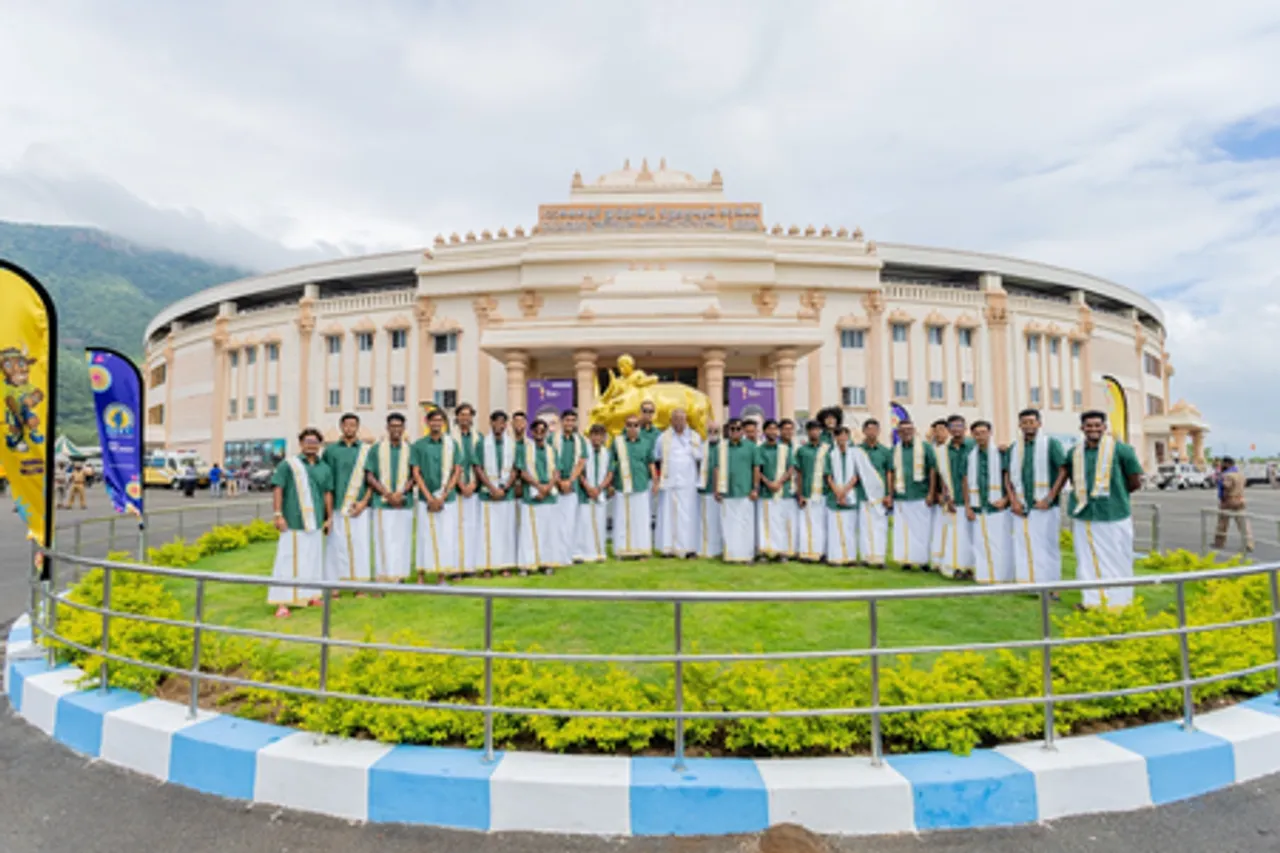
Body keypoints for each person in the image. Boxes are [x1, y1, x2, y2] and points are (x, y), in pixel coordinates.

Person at [1067, 410, 1145, 609]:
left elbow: (1135, 480)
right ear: (1082, 428)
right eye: (1088, 425)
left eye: (1097, 425)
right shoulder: (1075, 453)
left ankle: (1119, 602)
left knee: (1117, 557)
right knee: (1086, 559)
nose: (1093, 429)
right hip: (1083, 513)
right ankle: (1092, 601)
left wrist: (1117, 496)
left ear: (1104, 427)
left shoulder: (1122, 450)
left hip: (1113, 514)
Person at [268, 428, 334, 618]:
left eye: (315, 441)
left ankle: (310, 595)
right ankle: (282, 602)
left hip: (315, 522)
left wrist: (329, 518)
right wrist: (278, 514)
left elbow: (327, 493)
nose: (311, 445)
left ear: (320, 444)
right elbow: (278, 487)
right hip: (293, 520)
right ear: (301, 443)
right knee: (287, 561)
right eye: (308, 441)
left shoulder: (324, 468)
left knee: (312, 560)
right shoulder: (289, 465)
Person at [1007, 409, 1069, 585]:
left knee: (1047, 546)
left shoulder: (1050, 444)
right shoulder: (1015, 448)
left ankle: (1052, 585)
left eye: (1031, 422)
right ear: (1019, 425)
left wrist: (1049, 497)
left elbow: (1063, 471)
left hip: (1045, 505)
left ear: (1039, 424)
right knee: (1023, 544)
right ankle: (1027, 583)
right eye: (1024, 422)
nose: (1028, 426)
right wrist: (1013, 500)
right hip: (1021, 505)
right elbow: (1008, 476)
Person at [412, 408, 462, 582]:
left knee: (445, 537)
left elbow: (457, 470)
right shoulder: (418, 445)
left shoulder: (451, 444)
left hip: (447, 499)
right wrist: (429, 497)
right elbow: (416, 472)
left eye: (440, 421)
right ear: (427, 422)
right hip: (425, 498)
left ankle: (442, 575)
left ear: (444, 423)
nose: (436, 424)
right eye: (433, 420)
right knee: (424, 536)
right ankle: (421, 575)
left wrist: (443, 495)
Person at [322, 413, 372, 586]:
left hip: (359, 507)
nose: (349, 428)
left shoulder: (366, 450)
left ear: (358, 427)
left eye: (353, 425)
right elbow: (326, 482)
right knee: (335, 546)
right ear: (341, 427)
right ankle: (334, 585)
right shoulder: (330, 451)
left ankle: (359, 585)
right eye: (346, 425)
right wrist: (327, 512)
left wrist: (364, 502)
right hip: (337, 506)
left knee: (359, 546)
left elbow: (372, 479)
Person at [366, 413, 414, 582]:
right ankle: (383, 575)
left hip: (403, 502)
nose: (395, 429)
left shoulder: (410, 449)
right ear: (387, 428)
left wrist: (401, 493)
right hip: (382, 502)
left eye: (399, 426)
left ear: (403, 428)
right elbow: (370, 475)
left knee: (402, 539)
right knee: (383, 539)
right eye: (392, 426)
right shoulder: (377, 448)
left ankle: (399, 575)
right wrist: (387, 494)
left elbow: (414, 475)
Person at [966, 420, 1013, 584]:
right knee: (980, 543)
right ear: (972, 435)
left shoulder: (1001, 453)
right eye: (977, 433)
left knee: (999, 542)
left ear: (990, 433)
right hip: (978, 505)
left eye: (983, 432)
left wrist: (1007, 499)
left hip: (997, 506)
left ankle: (1001, 576)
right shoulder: (970, 455)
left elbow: (1010, 477)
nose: (980, 436)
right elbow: (965, 481)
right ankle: (984, 576)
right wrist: (968, 506)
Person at [654, 407, 703, 558]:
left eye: (682, 418)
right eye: (676, 419)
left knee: (688, 516)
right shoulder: (663, 438)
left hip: (688, 484)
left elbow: (700, 460)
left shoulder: (694, 437)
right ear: (671, 420)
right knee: (667, 515)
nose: (679, 422)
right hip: (669, 483)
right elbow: (657, 459)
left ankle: (688, 548)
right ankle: (667, 549)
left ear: (686, 420)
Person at [475, 410, 519, 574]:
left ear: (506, 425)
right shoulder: (482, 443)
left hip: (506, 495)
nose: (499, 426)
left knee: (505, 531)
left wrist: (505, 488)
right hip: (488, 494)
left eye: (503, 423)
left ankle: (504, 566)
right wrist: (492, 488)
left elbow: (516, 468)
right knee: (488, 531)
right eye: (496, 422)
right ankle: (487, 566)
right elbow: (478, 468)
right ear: (491, 423)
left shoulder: (512, 444)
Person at [890, 420, 938, 570]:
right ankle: (907, 560)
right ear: (898, 433)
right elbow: (891, 473)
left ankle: (923, 561)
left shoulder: (925, 448)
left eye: (909, 430)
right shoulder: (894, 450)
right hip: (902, 496)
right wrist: (891, 495)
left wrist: (931, 493)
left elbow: (932, 470)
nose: (906, 433)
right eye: (902, 430)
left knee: (922, 530)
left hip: (920, 495)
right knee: (904, 531)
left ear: (914, 430)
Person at [931, 414, 974, 579]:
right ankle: (955, 567)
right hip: (953, 499)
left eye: (959, 426)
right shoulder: (942, 451)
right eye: (953, 426)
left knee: (970, 536)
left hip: (972, 499)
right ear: (949, 429)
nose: (956, 429)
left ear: (965, 427)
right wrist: (945, 496)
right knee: (954, 536)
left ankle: (970, 568)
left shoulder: (973, 445)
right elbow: (942, 475)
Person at [517, 418, 561, 573]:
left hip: (549, 496)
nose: (540, 433)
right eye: (536, 430)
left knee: (548, 532)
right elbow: (522, 472)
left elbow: (557, 471)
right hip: (531, 495)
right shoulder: (524, 449)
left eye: (543, 430)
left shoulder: (552, 450)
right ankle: (527, 565)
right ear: (532, 432)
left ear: (547, 432)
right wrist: (538, 487)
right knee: (529, 532)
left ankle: (546, 563)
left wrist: (547, 488)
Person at [611, 414, 657, 558]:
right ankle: (622, 550)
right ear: (625, 426)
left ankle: (641, 550)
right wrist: (610, 485)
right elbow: (612, 464)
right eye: (629, 425)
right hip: (621, 486)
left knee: (641, 520)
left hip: (641, 485)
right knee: (622, 518)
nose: (632, 428)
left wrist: (655, 480)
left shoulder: (645, 443)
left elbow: (651, 463)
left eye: (635, 425)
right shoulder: (617, 442)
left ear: (639, 427)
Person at [715, 418, 757, 563]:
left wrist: (755, 488)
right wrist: (716, 490)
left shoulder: (750, 447)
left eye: (738, 429)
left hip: (745, 491)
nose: (735, 432)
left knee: (745, 525)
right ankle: (731, 554)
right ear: (728, 430)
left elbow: (755, 468)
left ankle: (747, 555)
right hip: (727, 491)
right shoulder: (722, 447)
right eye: (732, 429)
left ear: (742, 431)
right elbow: (717, 468)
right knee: (729, 524)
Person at [853, 419, 893, 566]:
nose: (872, 432)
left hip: (880, 496)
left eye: (874, 430)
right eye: (869, 429)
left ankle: (879, 558)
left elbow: (889, 473)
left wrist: (889, 494)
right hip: (863, 494)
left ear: (879, 431)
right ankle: (865, 558)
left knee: (880, 527)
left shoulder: (885, 451)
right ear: (864, 431)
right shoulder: (857, 451)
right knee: (864, 527)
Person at [755, 419, 795, 560]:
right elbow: (757, 470)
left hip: (781, 492)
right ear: (764, 431)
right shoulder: (759, 449)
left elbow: (791, 469)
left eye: (774, 429)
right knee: (765, 523)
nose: (772, 432)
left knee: (780, 523)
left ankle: (780, 552)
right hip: (766, 493)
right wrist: (768, 483)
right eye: (769, 429)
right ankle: (765, 552)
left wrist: (779, 483)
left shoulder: (784, 449)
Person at [553, 409, 587, 565]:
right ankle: (557, 555)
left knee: (571, 521)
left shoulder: (580, 440)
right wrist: (560, 482)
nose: (570, 423)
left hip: (572, 488)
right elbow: (551, 462)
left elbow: (581, 462)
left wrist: (570, 481)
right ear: (562, 421)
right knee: (557, 522)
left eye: (573, 420)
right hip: (556, 487)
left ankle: (570, 554)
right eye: (567, 420)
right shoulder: (552, 440)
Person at [576, 423, 613, 562]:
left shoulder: (607, 453)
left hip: (599, 493)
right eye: (594, 435)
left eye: (600, 435)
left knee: (599, 523)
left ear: (604, 438)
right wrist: (588, 487)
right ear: (590, 436)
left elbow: (610, 473)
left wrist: (599, 488)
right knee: (584, 523)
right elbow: (579, 472)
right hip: (585, 493)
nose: (597, 438)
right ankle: (581, 553)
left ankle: (598, 552)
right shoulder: (584, 452)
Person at [794, 420, 830, 561]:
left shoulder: (827, 449)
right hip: (807, 492)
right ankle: (807, 552)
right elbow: (799, 473)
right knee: (807, 524)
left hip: (824, 492)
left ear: (820, 431)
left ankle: (822, 553)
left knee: (822, 524)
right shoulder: (802, 450)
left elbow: (830, 474)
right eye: (811, 430)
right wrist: (800, 494)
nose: (814, 432)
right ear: (807, 432)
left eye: (817, 429)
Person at [825, 426, 860, 564]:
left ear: (848, 437)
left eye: (845, 435)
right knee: (835, 528)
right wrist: (837, 493)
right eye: (839, 436)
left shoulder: (855, 453)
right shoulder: (831, 454)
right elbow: (828, 476)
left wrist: (845, 491)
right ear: (835, 438)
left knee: (849, 528)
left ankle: (850, 558)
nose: (842, 438)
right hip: (834, 496)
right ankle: (835, 557)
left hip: (850, 494)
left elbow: (856, 475)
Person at [1214, 457, 1254, 552]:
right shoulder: (1240, 475)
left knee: (1222, 523)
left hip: (1228, 500)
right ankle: (1249, 543)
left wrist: (1221, 482)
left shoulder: (1227, 475)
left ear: (1227, 464)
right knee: (1243, 523)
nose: (1221, 465)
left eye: (1223, 463)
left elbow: (1226, 486)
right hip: (1240, 500)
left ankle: (1219, 542)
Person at [696, 422, 724, 558]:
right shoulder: (701, 447)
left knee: (719, 521)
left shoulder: (724, 448)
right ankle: (706, 549)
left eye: (716, 431)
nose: (713, 434)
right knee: (706, 520)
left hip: (721, 491)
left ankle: (719, 549)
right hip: (705, 489)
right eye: (710, 431)